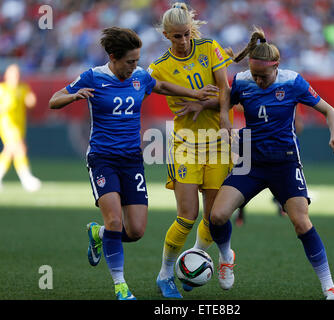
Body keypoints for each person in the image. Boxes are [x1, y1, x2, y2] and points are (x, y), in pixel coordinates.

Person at [49, 27, 218, 300]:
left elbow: (160, 85)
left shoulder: (140, 77)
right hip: (102, 159)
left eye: (137, 60)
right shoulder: (93, 77)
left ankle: (98, 233)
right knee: (115, 220)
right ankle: (120, 286)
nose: (135, 66)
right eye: (130, 61)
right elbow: (53, 100)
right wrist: (74, 96)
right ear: (114, 57)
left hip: (131, 160)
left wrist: (195, 94)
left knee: (136, 230)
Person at [208, 27, 334, 300]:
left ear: (277, 67)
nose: (259, 81)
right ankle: (226, 256)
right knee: (216, 215)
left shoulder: (293, 82)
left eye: (264, 76)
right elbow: (223, 104)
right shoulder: (241, 81)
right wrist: (211, 115)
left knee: (301, 222)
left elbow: (329, 110)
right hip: (251, 162)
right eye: (255, 75)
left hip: (285, 163)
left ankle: (329, 285)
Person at [147, 2, 232, 298]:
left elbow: (226, 91)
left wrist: (214, 110)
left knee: (213, 217)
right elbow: (148, 85)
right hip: (185, 144)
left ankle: (193, 258)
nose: (182, 42)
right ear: (166, 35)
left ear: (191, 30)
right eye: (175, 37)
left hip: (218, 142)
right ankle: (165, 274)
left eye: (185, 35)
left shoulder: (209, 47)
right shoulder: (158, 67)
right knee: (187, 215)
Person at [234, 110, 304, 226]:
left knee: (275, 170)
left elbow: (298, 125)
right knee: (241, 172)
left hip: (269, 141)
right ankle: (240, 208)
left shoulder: (288, 97)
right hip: (246, 137)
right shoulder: (246, 93)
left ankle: (280, 199)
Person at [0, 64, 41, 192]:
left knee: (11, 150)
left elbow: (30, 102)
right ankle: (26, 179)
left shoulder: (23, 88)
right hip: (7, 123)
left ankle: (25, 178)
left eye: (17, 75)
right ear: (7, 75)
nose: (15, 78)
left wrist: (31, 100)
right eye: (13, 74)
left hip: (20, 124)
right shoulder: (2, 89)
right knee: (19, 147)